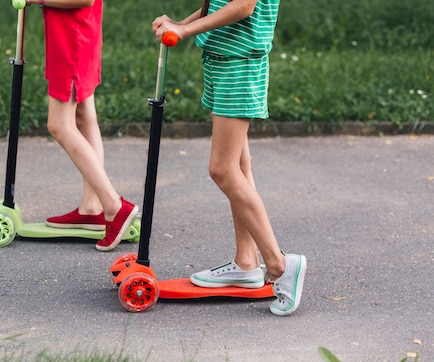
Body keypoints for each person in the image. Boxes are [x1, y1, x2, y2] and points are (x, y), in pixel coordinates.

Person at [152, 0, 306, 315]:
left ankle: (278, 264)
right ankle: (247, 263)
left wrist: (184, 30)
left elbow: (243, 6)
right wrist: (180, 23)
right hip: (223, 58)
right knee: (237, 165)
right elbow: (221, 4)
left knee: (222, 170)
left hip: (239, 62)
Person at [25, 0, 138, 251]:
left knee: (59, 125)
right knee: (84, 117)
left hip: (72, 38)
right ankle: (91, 207)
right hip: (76, 33)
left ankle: (114, 206)